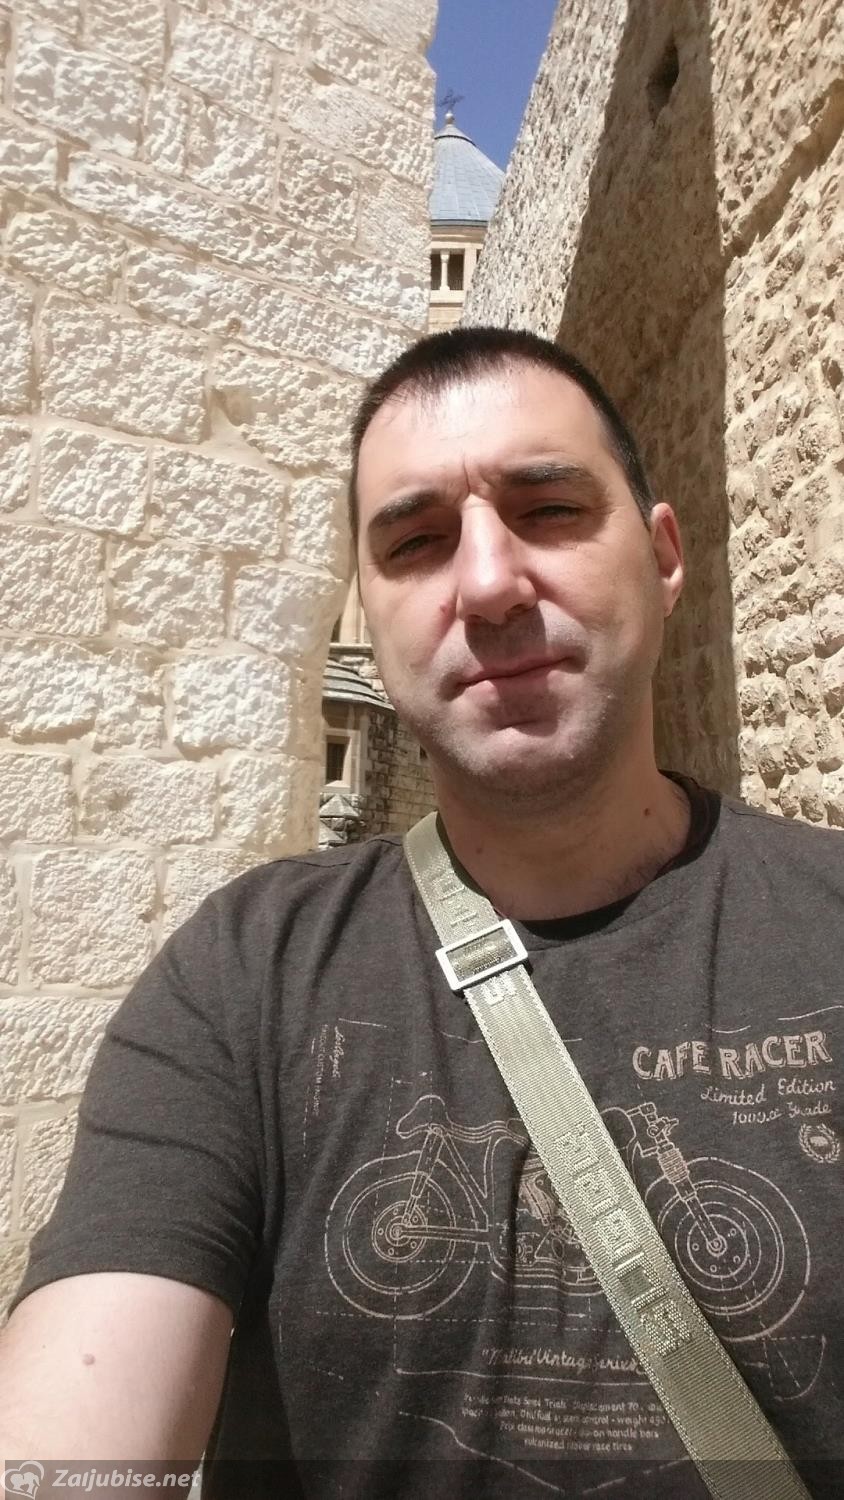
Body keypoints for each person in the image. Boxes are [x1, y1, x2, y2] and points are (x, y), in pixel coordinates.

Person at [1, 327, 842, 1500]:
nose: (487, 583)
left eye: (549, 510)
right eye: (416, 541)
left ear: (662, 558)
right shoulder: (242, 979)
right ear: (370, 613)